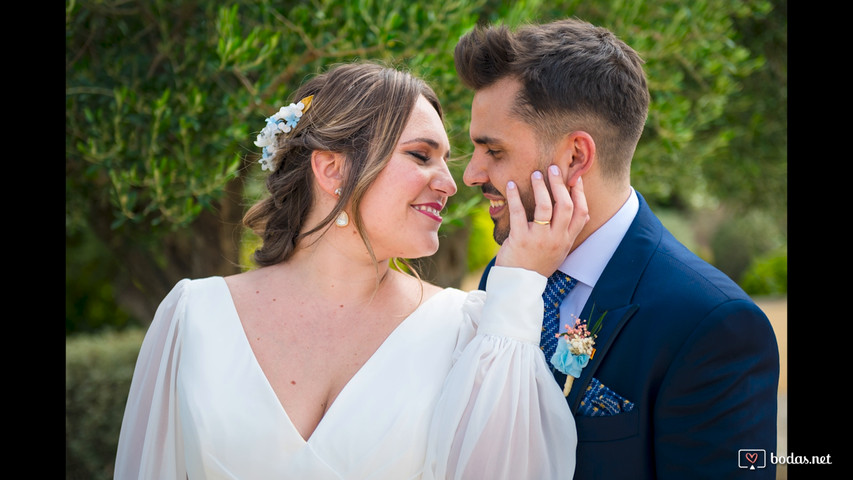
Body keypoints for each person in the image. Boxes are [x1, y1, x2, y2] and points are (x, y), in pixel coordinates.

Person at [113, 61, 590, 479]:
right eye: (421, 156)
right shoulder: (192, 317)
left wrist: (521, 284)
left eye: (446, 161)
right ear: (332, 170)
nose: (450, 183)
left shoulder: (467, 330)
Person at [456, 18, 780, 479]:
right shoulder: (504, 278)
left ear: (574, 157)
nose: (470, 174)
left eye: (493, 151)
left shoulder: (711, 324)